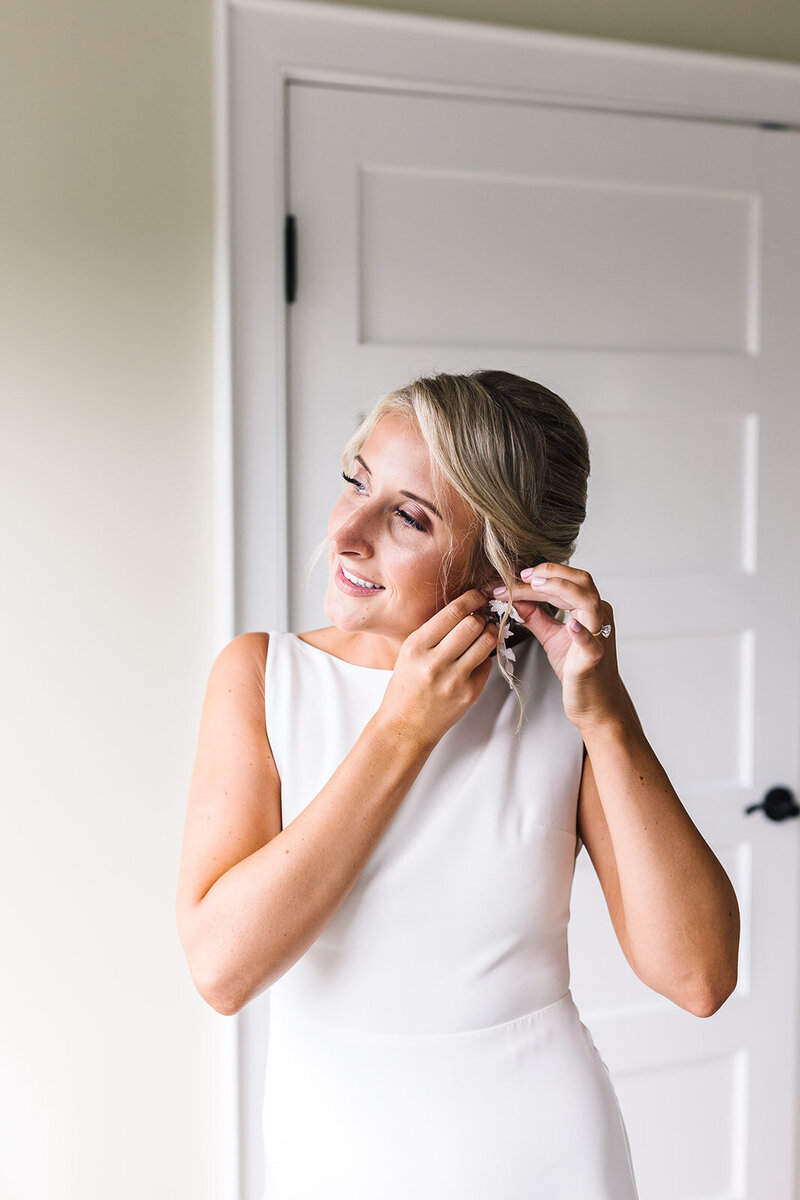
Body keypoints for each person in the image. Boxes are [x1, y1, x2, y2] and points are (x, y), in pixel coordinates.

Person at [176, 369, 740, 1199]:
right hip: (334, 1148)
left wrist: (609, 720)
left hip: (543, 1153)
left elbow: (697, 977)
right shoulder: (262, 677)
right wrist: (401, 729)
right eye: (356, 482)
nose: (348, 533)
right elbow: (222, 971)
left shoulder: (562, 699)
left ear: (502, 562)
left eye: (409, 515)